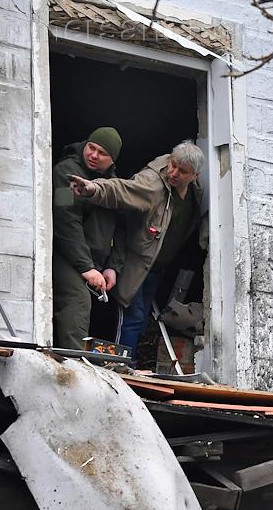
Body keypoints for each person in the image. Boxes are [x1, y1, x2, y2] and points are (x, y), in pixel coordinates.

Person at [68, 140, 205, 362]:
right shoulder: (153, 183)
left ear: (195, 176)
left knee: (141, 321)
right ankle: (122, 367)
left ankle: (127, 364)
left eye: (182, 171)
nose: (173, 173)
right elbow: (123, 190)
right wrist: (94, 189)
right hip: (133, 262)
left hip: (156, 266)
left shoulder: (195, 192)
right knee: (133, 317)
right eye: (172, 165)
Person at [51, 127, 123, 350]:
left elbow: (120, 228)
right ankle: (73, 363)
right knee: (77, 299)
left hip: (94, 263)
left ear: (112, 161)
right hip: (65, 254)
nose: (93, 155)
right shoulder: (67, 174)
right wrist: (86, 267)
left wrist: (112, 266)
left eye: (102, 153)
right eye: (91, 147)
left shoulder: (112, 185)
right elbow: (64, 219)